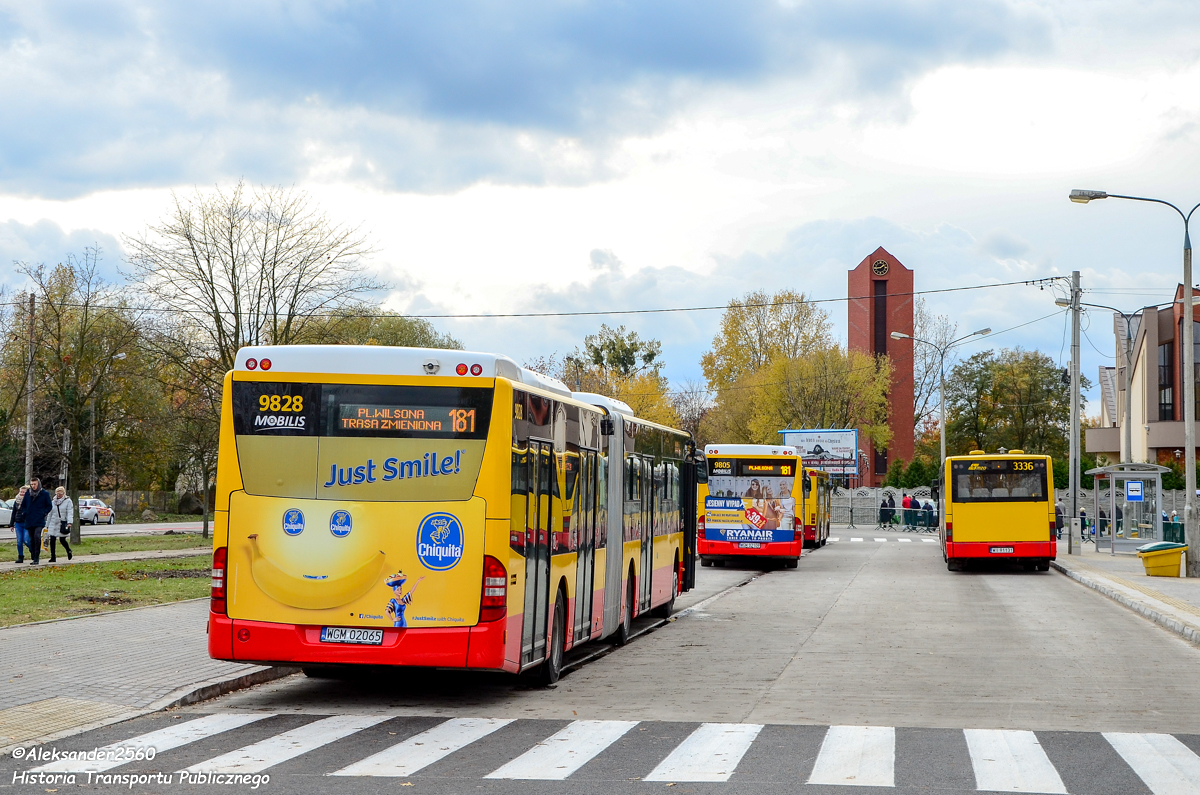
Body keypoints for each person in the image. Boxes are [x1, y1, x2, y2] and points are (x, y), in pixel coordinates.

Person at [20, 478, 52, 565]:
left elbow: (49, 506)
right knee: (31, 539)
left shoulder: (44, 494)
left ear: (38, 484)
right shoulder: (28, 494)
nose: (33, 486)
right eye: (32, 484)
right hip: (29, 519)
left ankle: (37, 557)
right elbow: (23, 505)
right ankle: (33, 554)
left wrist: (43, 513)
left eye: (35, 484)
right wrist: (24, 513)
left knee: (37, 537)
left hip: (39, 519)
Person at [47, 486, 74, 562]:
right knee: (52, 539)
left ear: (64, 493)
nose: (58, 495)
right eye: (57, 493)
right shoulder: (53, 502)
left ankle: (68, 550)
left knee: (62, 540)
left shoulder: (68, 501)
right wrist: (47, 525)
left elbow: (70, 512)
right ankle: (53, 556)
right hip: (53, 522)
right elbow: (50, 513)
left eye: (60, 493)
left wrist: (69, 522)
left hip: (62, 522)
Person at [11, 485, 28, 564]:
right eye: (21, 491)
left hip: (26, 522)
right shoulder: (16, 501)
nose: (21, 493)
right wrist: (11, 524)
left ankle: (33, 550)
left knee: (26, 540)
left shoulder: (29, 501)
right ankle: (20, 556)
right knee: (19, 541)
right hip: (18, 523)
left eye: (23, 492)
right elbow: (14, 512)